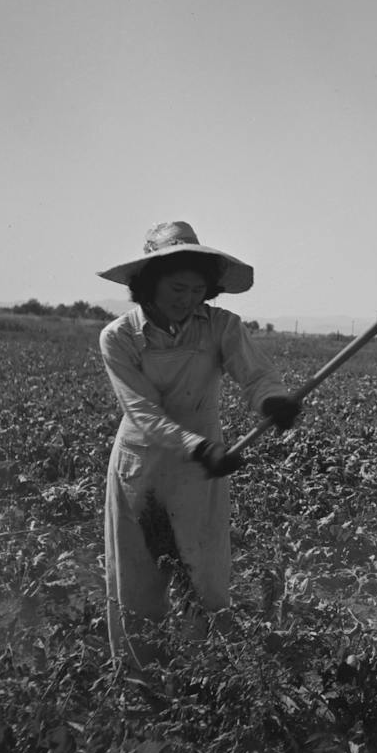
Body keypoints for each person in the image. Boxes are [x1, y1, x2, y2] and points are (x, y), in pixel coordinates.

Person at [97, 221, 302, 670]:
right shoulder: (118, 338)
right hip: (141, 470)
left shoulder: (222, 326)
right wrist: (199, 446)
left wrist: (273, 401)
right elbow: (143, 414)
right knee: (136, 584)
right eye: (177, 287)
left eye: (196, 289)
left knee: (205, 580)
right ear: (148, 284)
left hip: (201, 472)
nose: (187, 298)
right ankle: (138, 689)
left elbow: (257, 375)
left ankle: (206, 683)